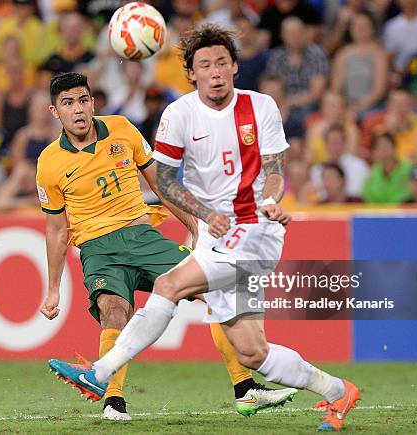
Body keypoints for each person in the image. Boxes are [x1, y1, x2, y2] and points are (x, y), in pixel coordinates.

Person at [48, 25, 360, 431]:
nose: (214, 72)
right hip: (217, 236)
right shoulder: (179, 114)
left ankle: (101, 374)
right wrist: (201, 217)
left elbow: (275, 172)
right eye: (204, 65)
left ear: (234, 66)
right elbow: (165, 178)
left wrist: (270, 201)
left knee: (169, 286)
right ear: (191, 74)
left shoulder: (261, 107)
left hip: (256, 233)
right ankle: (338, 392)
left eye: (221, 63)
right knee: (253, 352)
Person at [38, 73, 295, 421]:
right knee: (114, 310)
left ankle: (245, 389)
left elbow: (160, 182)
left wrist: (194, 226)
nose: (78, 109)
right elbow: (56, 230)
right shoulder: (49, 163)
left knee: (216, 291)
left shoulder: (122, 130)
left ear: (93, 103)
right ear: (55, 111)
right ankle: (113, 402)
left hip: (143, 238)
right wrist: (52, 289)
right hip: (99, 249)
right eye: (68, 103)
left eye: (83, 100)